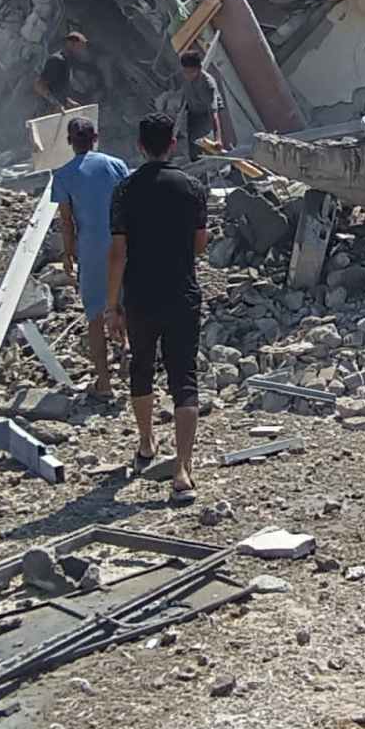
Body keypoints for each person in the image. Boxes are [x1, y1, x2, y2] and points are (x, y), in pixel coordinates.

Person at [104, 111, 209, 504]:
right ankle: (182, 470)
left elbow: (118, 252)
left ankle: (147, 442)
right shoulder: (192, 188)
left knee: (142, 367)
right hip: (181, 291)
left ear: (139, 146)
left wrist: (111, 305)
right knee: (184, 377)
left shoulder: (125, 190)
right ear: (173, 144)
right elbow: (201, 244)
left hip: (140, 295)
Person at [49, 116, 130, 401]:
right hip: (122, 244)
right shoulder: (116, 165)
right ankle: (128, 351)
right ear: (95, 138)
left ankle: (104, 383)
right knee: (124, 304)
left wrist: (68, 253)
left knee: (95, 317)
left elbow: (67, 221)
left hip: (92, 250)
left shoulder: (63, 175)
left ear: (69, 142)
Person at [178, 50, 222, 161]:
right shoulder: (186, 77)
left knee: (206, 148)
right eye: (185, 72)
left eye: (191, 72)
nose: (188, 75)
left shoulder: (207, 84)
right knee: (193, 149)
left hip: (206, 116)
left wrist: (218, 139)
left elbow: (214, 114)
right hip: (193, 114)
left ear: (199, 68)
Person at [36, 32, 94, 112]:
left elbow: (57, 88)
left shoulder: (67, 61)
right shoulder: (57, 60)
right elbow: (39, 85)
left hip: (59, 111)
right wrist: (55, 103)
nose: (82, 50)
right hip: (46, 111)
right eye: (80, 46)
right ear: (71, 44)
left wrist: (67, 102)